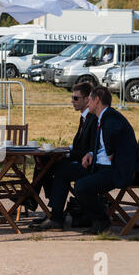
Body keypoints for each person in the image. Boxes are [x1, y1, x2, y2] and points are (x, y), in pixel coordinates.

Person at [39, 86, 138, 234]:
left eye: (90, 99)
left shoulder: (111, 118)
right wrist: (91, 153)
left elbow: (117, 140)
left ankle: (101, 220)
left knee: (82, 186)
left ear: (96, 100)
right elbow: (102, 144)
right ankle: (56, 218)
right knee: (62, 170)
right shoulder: (102, 117)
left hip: (114, 170)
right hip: (98, 166)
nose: (88, 103)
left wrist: (111, 153)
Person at [32, 82, 98, 228]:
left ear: (88, 99)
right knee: (43, 162)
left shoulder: (93, 119)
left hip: (89, 165)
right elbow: (80, 146)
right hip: (80, 161)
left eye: (76, 98)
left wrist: (68, 153)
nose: (72, 101)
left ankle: (48, 210)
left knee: (58, 170)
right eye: (72, 97)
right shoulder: (84, 118)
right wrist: (67, 149)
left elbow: (90, 150)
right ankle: (36, 201)